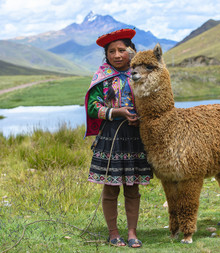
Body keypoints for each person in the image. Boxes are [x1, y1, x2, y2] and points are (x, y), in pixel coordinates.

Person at [84, 28, 153, 248]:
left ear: (130, 51)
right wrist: (117, 112)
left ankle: (132, 232)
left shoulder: (140, 75)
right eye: (111, 51)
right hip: (111, 137)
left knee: (132, 187)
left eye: (121, 50)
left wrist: (139, 117)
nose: (117, 55)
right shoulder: (102, 78)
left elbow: (152, 102)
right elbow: (93, 107)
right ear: (106, 55)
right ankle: (113, 233)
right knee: (111, 188)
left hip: (135, 137)